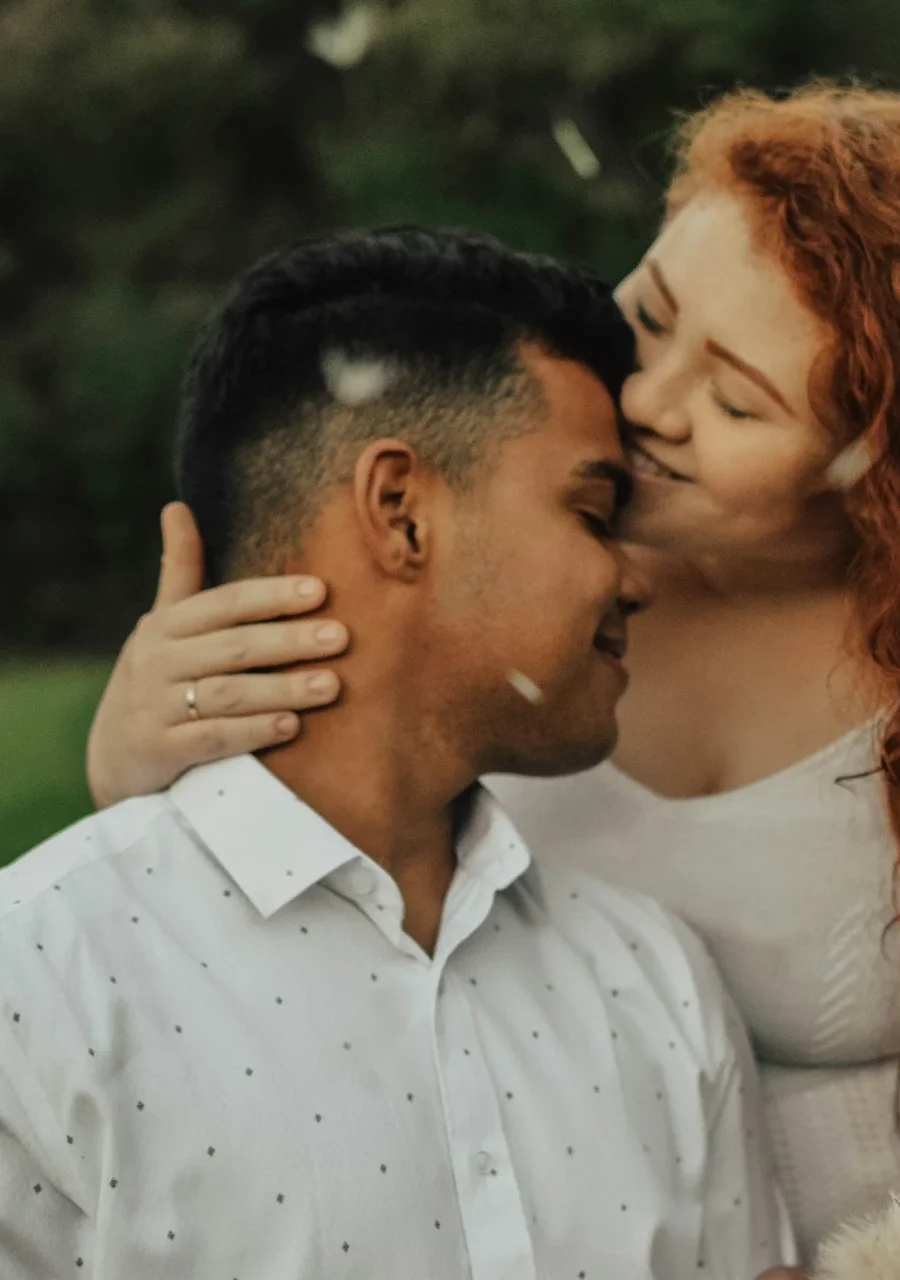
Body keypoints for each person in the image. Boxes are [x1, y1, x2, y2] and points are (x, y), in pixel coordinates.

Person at [85, 84, 900, 1280]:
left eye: (735, 398)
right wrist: (141, 766)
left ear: (886, 468)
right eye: (652, 314)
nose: (648, 401)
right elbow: (263, 917)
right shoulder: (507, 574)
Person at [0, 227, 799, 1279]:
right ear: (400, 511)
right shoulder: (38, 987)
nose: (635, 578)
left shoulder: (651, 977)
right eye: (592, 510)